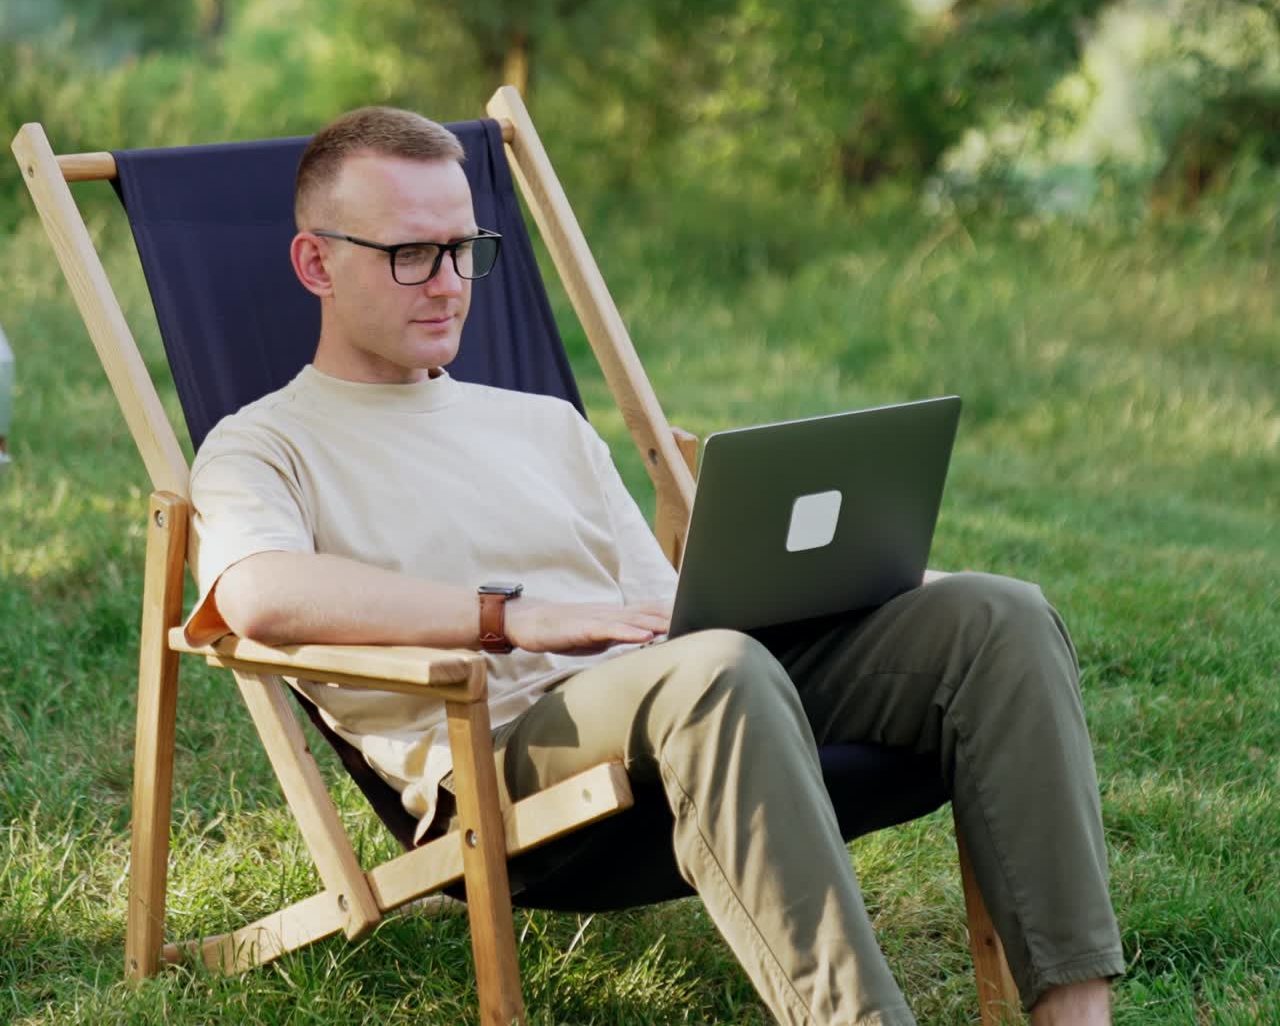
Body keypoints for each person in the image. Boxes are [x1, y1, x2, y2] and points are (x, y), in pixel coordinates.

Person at [186, 106, 1124, 1025]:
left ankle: (1077, 1014)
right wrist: (507, 617)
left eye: (464, 249)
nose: (448, 284)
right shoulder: (264, 444)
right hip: (502, 754)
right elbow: (258, 591)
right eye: (409, 255)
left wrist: (849, 590)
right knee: (712, 673)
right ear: (317, 264)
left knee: (995, 618)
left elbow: (671, 614)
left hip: (674, 692)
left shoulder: (544, 425)